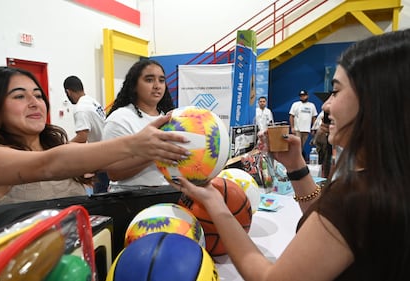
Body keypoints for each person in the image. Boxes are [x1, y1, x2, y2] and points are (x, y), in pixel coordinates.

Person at [168, 29, 410, 280]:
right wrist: (296, 167)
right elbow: (330, 222)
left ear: (376, 100)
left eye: (336, 91)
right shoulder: (386, 183)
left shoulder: (358, 196)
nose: (326, 105)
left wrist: (216, 205)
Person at [0, 66, 190, 209]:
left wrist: (158, 149)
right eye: (19, 96)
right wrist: (135, 143)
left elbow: (116, 166)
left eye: (38, 95)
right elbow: (48, 165)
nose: (34, 103)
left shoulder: (54, 146)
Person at [103, 59, 175, 191]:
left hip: (167, 194)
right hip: (131, 197)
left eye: (161, 80)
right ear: (134, 85)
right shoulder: (120, 119)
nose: (157, 86)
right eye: (149, 80)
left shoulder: (169, 118)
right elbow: (114, 173)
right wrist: (156, 153)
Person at [63, 75, 109, 193]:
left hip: (102, 156)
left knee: (100, 193)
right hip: (108, 149)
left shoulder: (80, 109)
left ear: (68, 92)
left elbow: (82, 137)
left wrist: (62, 146)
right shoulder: (92, 101)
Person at [289, 89, 317, 158]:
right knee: (297, 145)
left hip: (306, 129)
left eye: (304, 96)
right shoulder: (295, 104)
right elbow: (291, 116)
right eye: (301, 96)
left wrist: (313, 128)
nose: (302, 97)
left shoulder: (312, 105)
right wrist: (292, 127)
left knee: (302, 145)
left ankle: (299, 158)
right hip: (297, 129)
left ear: (307, 96)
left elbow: (314, 117)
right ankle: (297, 159)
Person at [310, 110, 332, 178]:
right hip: (321, 138)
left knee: (327, 158)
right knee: (320, 157)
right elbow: (316, 125)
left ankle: (325, 175)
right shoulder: (322, 113)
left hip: (327, 139)